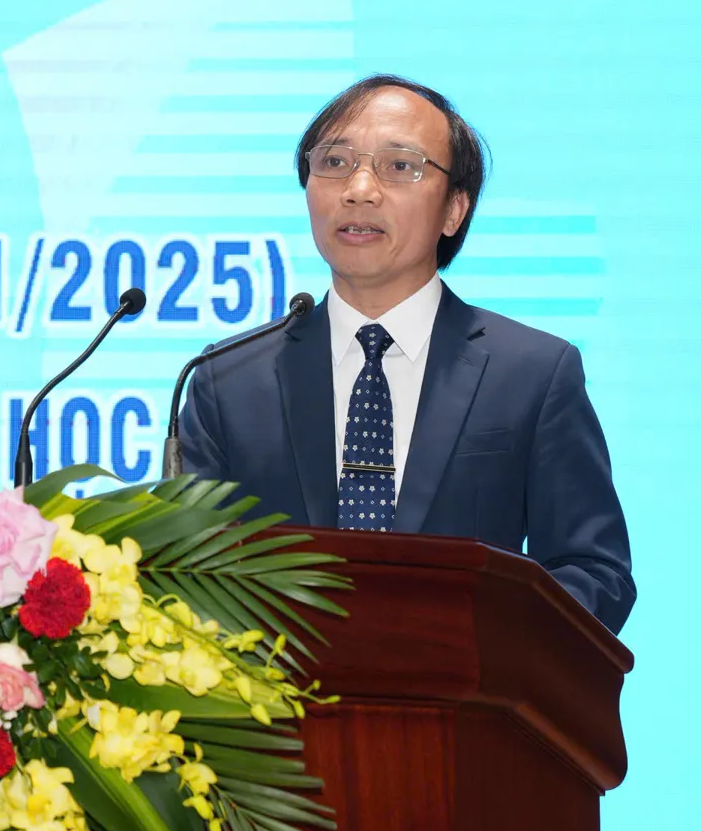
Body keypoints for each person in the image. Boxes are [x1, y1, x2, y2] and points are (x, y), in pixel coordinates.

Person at [175, 74, 635, 633]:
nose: (359, 189)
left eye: (399, 166)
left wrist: (473, 644)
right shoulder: (228, 379)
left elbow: (594, 573)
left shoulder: (532, 374)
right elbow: (183, 579)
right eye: (335, 162)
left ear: (454, 209)